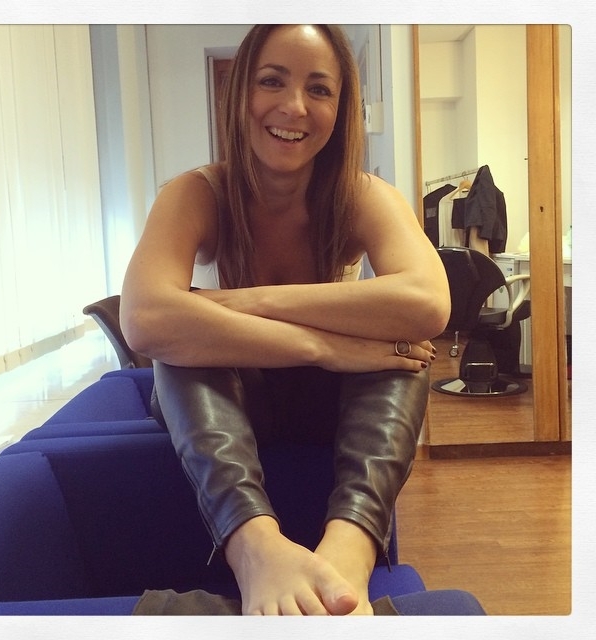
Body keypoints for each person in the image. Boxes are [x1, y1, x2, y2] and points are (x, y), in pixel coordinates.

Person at [120, 24, 451, 615]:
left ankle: (350, 549)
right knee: (184, 342)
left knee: (403, 350)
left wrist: (248, 300)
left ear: (340, 109)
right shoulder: (195, 193)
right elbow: (145, 320)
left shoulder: (362, 194)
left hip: (320, 406)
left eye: (319, 89)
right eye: (272, 81)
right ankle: (255, 549)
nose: (294, 107)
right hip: (224, 401)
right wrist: (326, 347)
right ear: (240, 92)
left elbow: (427, 303)